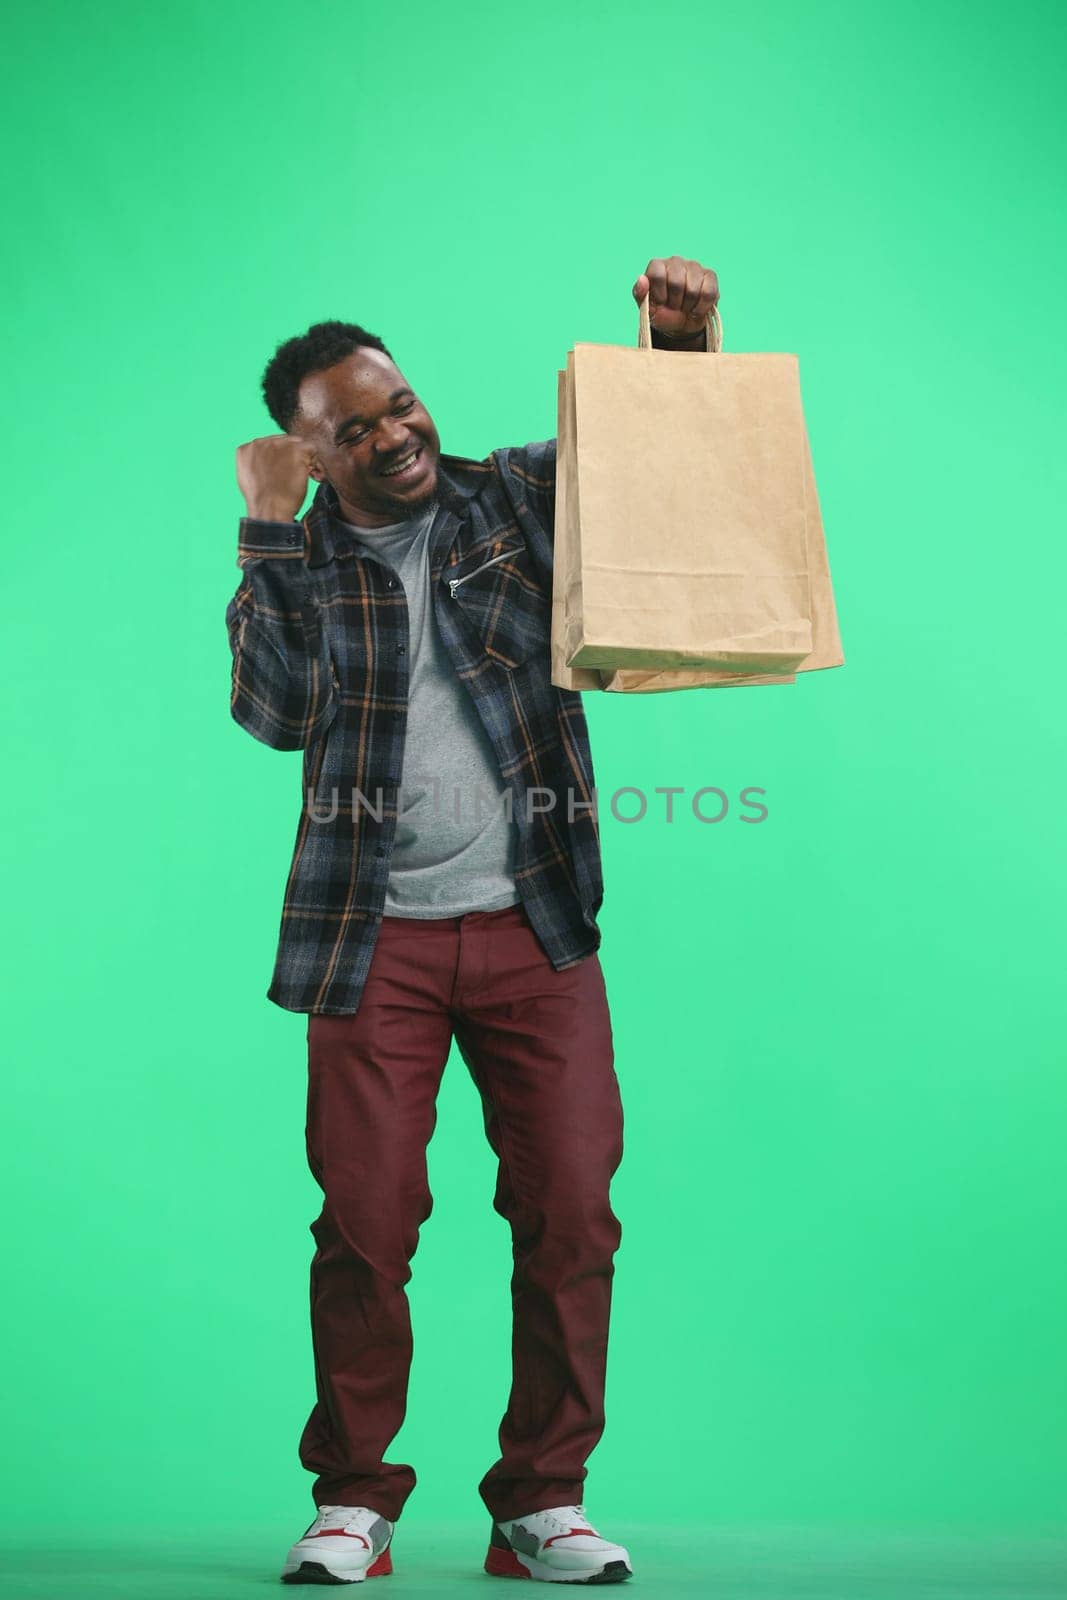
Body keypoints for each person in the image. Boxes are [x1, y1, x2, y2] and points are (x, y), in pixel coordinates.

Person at [226, 256, 720, 1586]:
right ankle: (354, 1501)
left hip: (534, 928)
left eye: (401, 404)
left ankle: (540, 1502)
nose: (397, 435)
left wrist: (676, 347)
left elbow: (665, 472)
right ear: (308, 458)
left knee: (571, 1211)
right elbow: (272, 714)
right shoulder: (305, 552)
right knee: (367, 1223)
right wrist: (266, 532)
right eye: (356, 429)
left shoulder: (510, 499)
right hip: (368, 942)